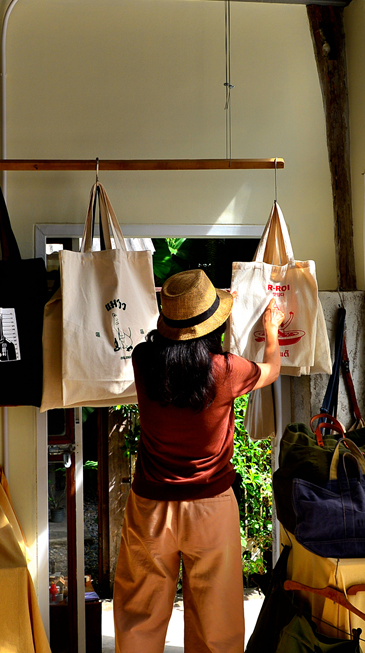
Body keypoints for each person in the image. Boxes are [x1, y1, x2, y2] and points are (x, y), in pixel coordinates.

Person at [113, 269, 283, 653]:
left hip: (150, 506)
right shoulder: (227, 370)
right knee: (216, 623)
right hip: (210, 508)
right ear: (213, 325)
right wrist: (270, 330)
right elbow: (271, 370)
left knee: (139, 615)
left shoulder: (143, 360)